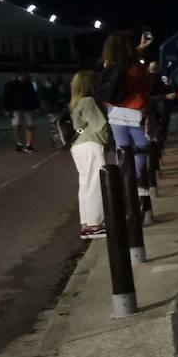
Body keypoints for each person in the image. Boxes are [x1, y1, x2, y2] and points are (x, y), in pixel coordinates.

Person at [96, 33, 154, 206]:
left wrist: (141, 49)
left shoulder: (109, 65)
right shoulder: (136, 67)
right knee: (143, 146)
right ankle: (132, 181)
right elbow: (146, 86)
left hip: (114, 111)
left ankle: (125, 184)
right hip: (135, 112)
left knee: (122, 150)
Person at [68, 69, 109, 240]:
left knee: (85, 185)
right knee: (95, 184)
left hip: (79, 145)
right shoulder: (90, 101)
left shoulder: (77, 102)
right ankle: (95, 225)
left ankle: (86, 224)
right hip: (91, 143)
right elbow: (101, 127)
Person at [3, 69, 39, 152]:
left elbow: (33, 96)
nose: (25, 77)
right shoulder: (10, 85)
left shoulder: (29, 84)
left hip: (28, 108)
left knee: (29, 126)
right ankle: (19, 143)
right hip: (16, 108)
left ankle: (28, 144)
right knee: (17, 126)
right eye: (24, 75)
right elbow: (6, 97)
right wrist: (7, 109)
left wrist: (36, 107)